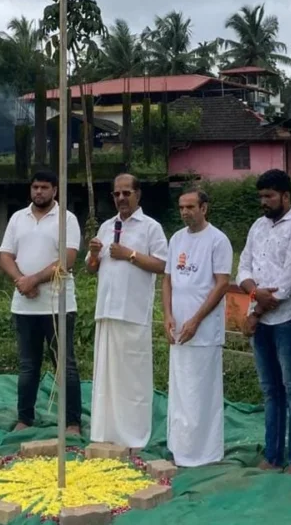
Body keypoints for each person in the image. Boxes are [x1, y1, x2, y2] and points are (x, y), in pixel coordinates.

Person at [236, 169, 291, 476]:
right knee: (270, 390)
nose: (264, 202)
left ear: (286, 196)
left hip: (287, 320)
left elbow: (289, 281)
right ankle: (272, 455)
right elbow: (243, 268)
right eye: (261, 196)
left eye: (269, 196)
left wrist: (255, 312)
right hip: (262, 318)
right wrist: (254, 292)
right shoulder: (258, 226)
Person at [86, 174, 168, 450]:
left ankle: (134, 435)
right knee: (106, 378)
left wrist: (130, 255)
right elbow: (91, 268)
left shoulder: (151, 227)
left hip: (133, 312)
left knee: (133, 380)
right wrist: (94, 255)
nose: (121, 198)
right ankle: (105, 431)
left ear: (138, 194)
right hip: (107, 311)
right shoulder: (106, 226)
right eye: (116, 194)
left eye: (126, 193)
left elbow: (162, 265)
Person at [0, 169, 83, 434]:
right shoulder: (18, 218)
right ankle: (25, 418)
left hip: (58, 305)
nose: (39, 192)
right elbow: (5, 255)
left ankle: (72, 422)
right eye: (35, 187)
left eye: (44, 187)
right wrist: (21, 281)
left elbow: (67, 259)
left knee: (64, 365)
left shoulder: (66, 219)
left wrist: (34, 280)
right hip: (25, 306)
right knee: (28, 366)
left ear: (55, 190)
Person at [162, 188, 233, 467]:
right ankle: (180, 447)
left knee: (201, 393)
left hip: (204, 331)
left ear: (204, 208)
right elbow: (167, 279)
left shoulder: (218, 240)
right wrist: (168, 315)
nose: (185, 212)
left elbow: (222, 284)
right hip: (179, 328)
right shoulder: (176, 238)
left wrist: (196, 319)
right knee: (180, 390)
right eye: (181, 207)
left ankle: (204, 452)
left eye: (190, 207)